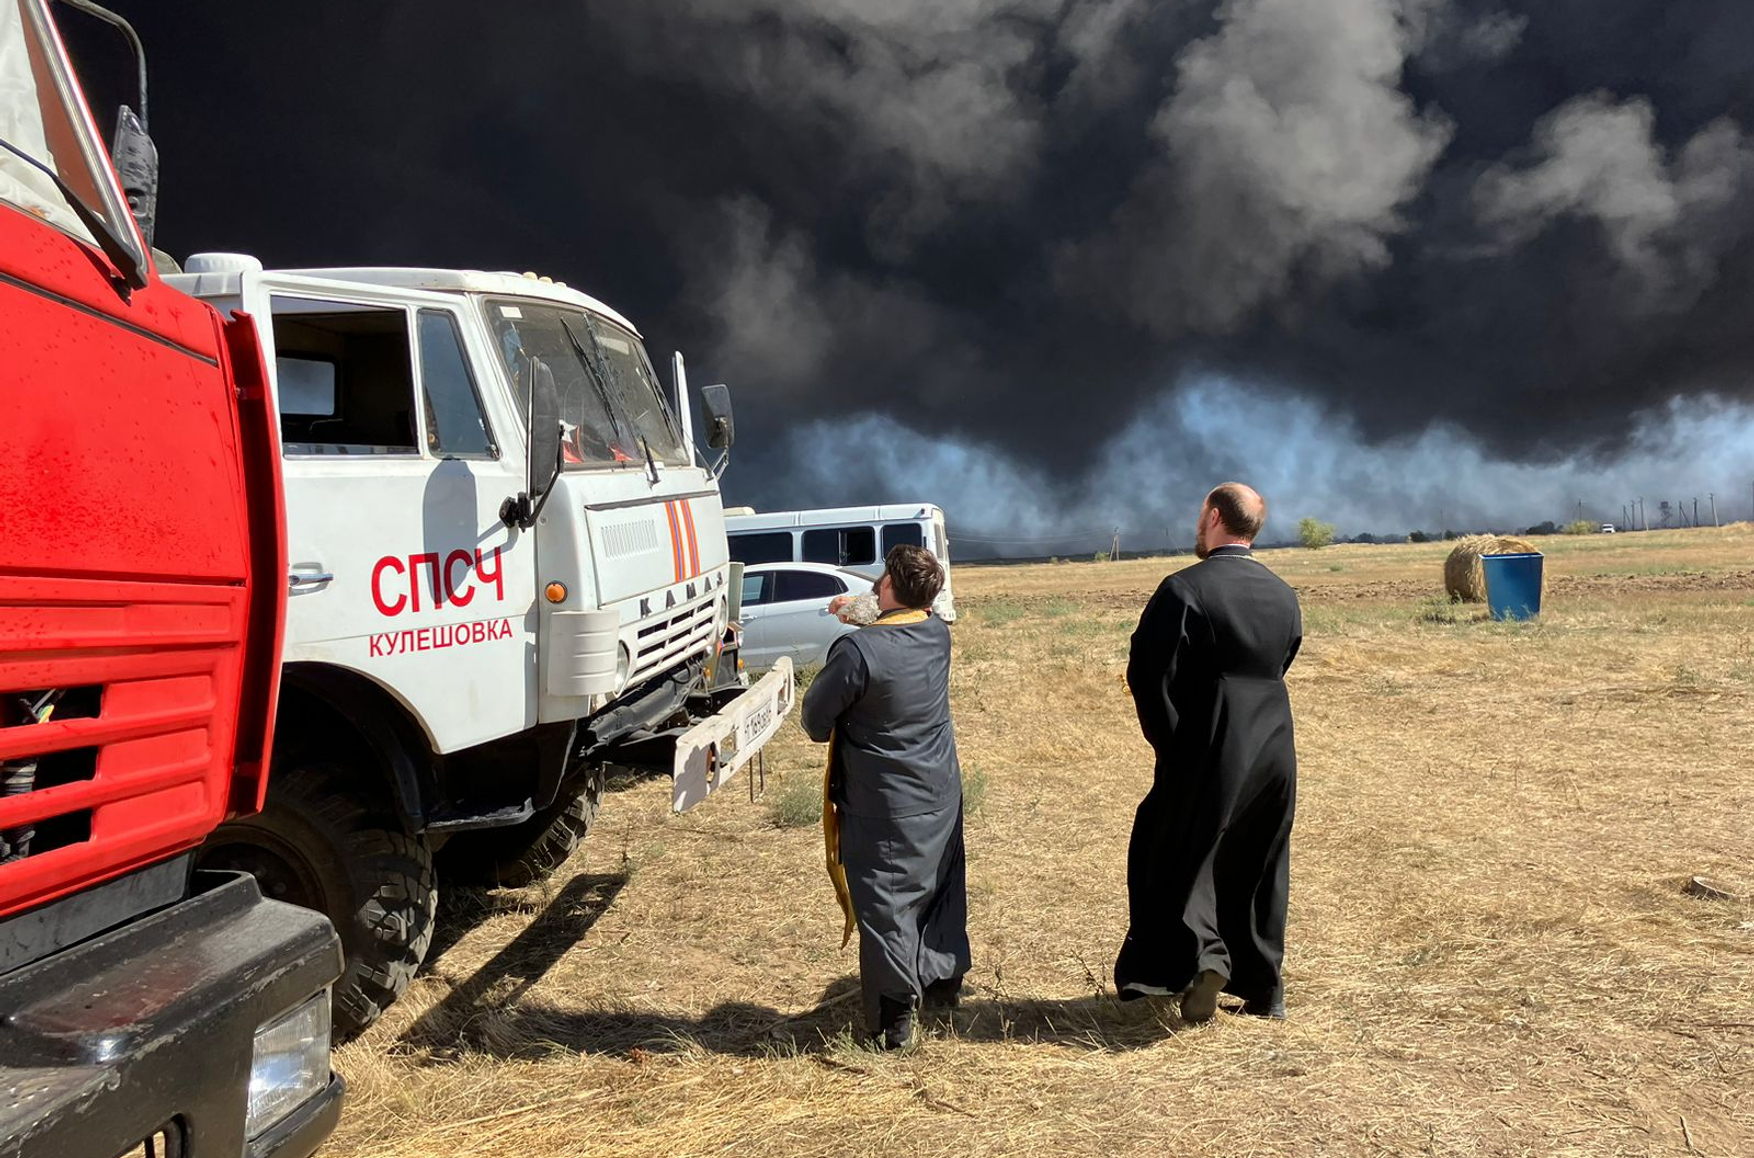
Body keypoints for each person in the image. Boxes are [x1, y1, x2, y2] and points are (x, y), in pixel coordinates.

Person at [1115, 482, 1303, 1022]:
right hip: (1275, 742)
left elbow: (1149, 674)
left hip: (1211, 741)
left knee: (1177, 850)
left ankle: (1203, 962)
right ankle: (1265, 991)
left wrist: (1173, 742)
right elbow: (1284, 659)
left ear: (1215, 517)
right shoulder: (1283, 593)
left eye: (1202, 515)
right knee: (1260, 861)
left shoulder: (1184, 589)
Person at [802, 544, 971, 1050]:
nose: (876, 583)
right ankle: (942, 983)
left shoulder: (856, 652)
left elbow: (815, 720)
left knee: (887, 903)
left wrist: (852, 627)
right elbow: (896, 622)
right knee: (940, 887)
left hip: (884, 801)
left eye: (881, 577)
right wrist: (854, 611)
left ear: (891, 584)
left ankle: (893, 1023)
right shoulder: (936, 633)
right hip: (939, 790)